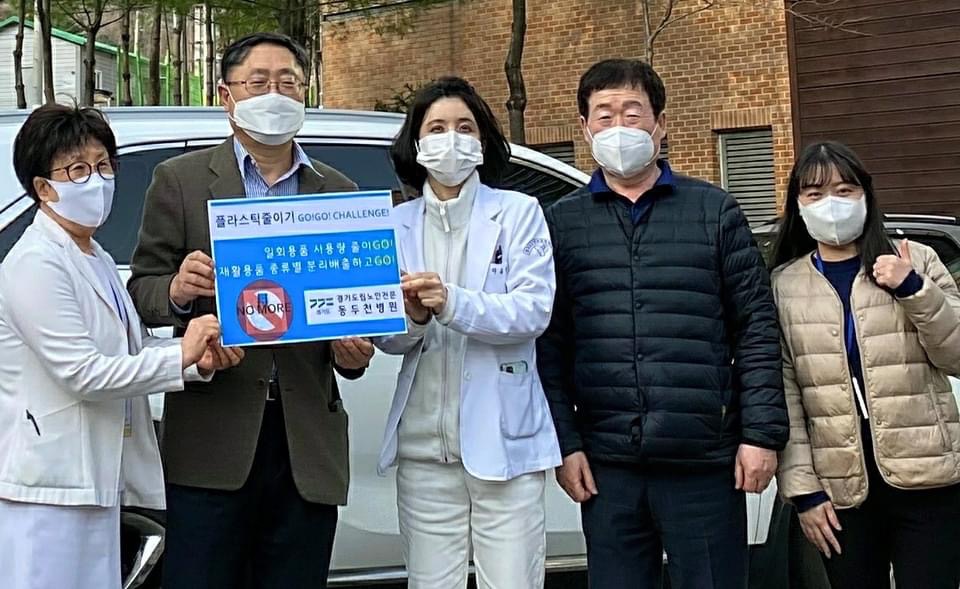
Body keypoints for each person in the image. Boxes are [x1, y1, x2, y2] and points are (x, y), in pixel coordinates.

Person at [127, 32, 375, 589]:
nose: (275, 94)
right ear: (226, 95)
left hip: (305, 442)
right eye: (258, 82)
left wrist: (354, 353)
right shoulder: (181, 181)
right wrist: (178, 290)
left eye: (289, 82)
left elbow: (354, 325)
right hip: (212, 436)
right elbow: (143, 289)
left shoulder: (337, 192)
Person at [537, 58, 788, 589]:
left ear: (660, 123)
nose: (619, 126)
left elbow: (756, 329)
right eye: (604, 115)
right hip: (607, 463)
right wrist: (565, 443)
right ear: (584, 128)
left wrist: (760, 435)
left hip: (705, 458)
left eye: (633, 113)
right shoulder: (561, 222)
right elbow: (549, 345)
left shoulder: (714, 212)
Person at [0, 104, 241, 589]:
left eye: (104, 165)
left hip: (95, 481)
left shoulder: (95, 256)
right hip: (49, 484)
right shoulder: (34, 263)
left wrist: (196, 361)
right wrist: (180, 354)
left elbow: (128, 350)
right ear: (43, 188)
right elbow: (83, 373)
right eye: (77, 170)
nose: (96, 181)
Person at [375, 76, 562, 588]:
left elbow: (533, 311)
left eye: (464, 127)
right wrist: (413, 318)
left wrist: (452, 302)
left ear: (482, 141)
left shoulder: (518, 213)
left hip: (502, 444)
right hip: (424, 452)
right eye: (436, 128)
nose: (451, 139)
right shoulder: (395, 224)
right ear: (416, 144)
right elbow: (386, 337)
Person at [771, 141, 960, 589]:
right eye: (815, 194)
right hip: (840, 488)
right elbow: (784, 393)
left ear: (866, 195)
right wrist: (803, 491)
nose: (831, 203)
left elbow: (955, 354)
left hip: (927, 476)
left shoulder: (916, 260)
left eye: (844, 190)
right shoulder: (784, 284)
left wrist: (914, 289)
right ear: (798, 205)